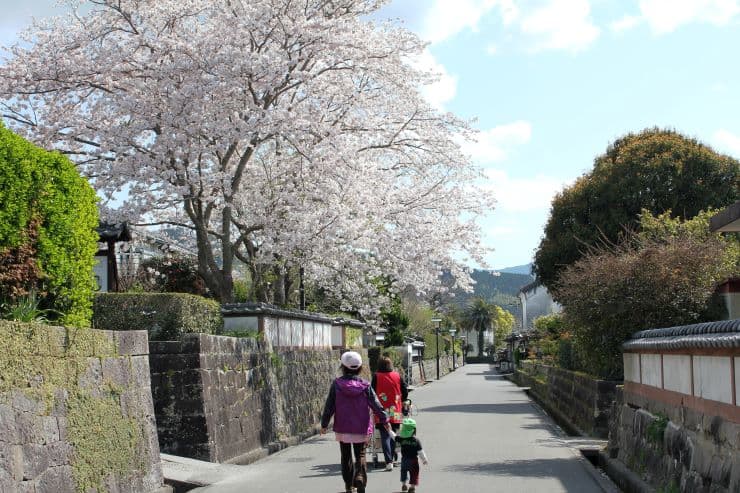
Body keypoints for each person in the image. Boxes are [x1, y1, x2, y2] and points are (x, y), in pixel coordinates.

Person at [321, 351, 390, 493]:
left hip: (342, 426)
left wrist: (324, 424)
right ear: (360, 368)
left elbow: (329, 406)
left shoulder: (337, 384)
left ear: (343, 367)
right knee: (361, 455)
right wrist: (384, 420)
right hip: (361, 426)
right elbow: (376, 404)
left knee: (345, 456)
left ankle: (348, 486)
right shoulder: (365, 385)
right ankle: (360, 478)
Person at [371, 355, 408, 470]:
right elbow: (405, 391)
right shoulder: (397, 375)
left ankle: (389, 461)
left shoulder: (376, 376)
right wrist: (401, 401)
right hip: (395, 410)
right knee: (393, 435)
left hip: (381, 411)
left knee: (385, 435)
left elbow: (371, 393)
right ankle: (391, 457)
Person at [396, 418, 428, 493]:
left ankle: (404, 484)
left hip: (404, 460)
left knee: (403, 471)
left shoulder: (402, 439)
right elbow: (420, 452)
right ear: (414, 430)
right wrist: (424, 460)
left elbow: (394, 436)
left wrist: (389, 430)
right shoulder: (416, 441)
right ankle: (412, 487)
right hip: (413, 461)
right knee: (414, 473)